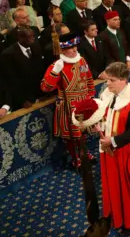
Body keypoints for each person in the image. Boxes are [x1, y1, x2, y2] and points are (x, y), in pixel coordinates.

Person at [72, 62, 130, 231]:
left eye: (111, 80)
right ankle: (116, 214)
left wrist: (113, 142)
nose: (107, 84)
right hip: (107, 150)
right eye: (107, 80)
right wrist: (94, 125)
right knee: (112, 184)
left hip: (126, 151)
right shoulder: (107, 94)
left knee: (127, 186)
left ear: (123, 80)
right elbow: (103, 117)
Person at [40, 33, 96, 168]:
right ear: (63, 50)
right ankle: (76, 158)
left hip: (83, 101)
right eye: (71, 48)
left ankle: (85, 153)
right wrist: (54, 71)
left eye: (75, 46)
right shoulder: (57, 65)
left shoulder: (81, 60)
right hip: (68, 104)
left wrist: (91, 96)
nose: (75, 49)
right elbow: (45, 88)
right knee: (71, 136)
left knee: (82, 133)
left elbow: (88, 78)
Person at [0, 27, 46, 110]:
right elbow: (11, 81)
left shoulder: (36, 47)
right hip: (24, 98)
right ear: (20, 38)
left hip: (40, 94)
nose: (32, 39)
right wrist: (22, 100)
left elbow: (40, 70)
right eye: (29, 37)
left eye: (33, 36)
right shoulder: (8, 55)